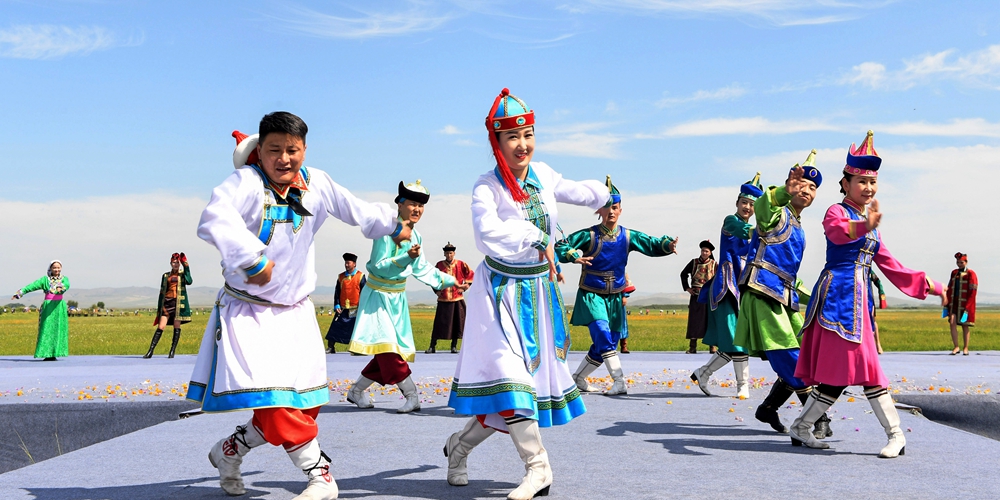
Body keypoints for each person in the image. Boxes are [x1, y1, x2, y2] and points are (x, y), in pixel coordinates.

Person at [187, 114, 410, 499]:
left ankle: (229, 451)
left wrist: (394, 224)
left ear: (304, 149)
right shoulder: (246, 183)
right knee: (273, 400)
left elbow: (357, 210)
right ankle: (319, 475)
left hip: (297, 312)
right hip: (249, 311)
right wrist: (251, 259)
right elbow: (214, 218)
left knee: (301, 404)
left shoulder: (316, 183)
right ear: (260, 151)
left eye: (293, 150)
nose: (284, 158)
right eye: (274, 150)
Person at [444, 88, 610, 500]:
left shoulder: (544, 174)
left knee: (511, 392)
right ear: (496, 142)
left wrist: (606, 194)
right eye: (513, 136)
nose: (523, 144)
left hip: (537, 293)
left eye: (528, 134)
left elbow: (575, 190)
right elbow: (487, 234)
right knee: (512, 381)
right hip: (497, 295)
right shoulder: (487, 187)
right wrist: (536, 235)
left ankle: (458, 447)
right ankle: (539, 469)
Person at [791, 131, 946, 458]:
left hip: (858, 304)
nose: (868, 188)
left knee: (841, 374)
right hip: (836, 301)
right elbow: (837, 232)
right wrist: (864, 225)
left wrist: (932, 287)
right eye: (861, 181)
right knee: (861, 369)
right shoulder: (837, 212)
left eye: (872, 182)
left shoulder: (869, 223)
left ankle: (802, 427)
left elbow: (891, 265)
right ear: (845, 183)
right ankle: (895, 434)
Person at [733, 150, 832, 439]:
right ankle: (817, 418)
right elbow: (764, 208)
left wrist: (815, 294)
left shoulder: (800, 228)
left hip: (785, 298)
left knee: (805, 355)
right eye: (801, 184)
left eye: (812, 188)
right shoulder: (776, 214)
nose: (806, 190)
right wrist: (779, 193)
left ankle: (768, 407)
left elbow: (789, 272)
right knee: (790, 356)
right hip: (762, 293)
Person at [559, 176, 677, 395]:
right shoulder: (589, 235)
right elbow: (562, 246)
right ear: (598, 211)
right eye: (606, 207)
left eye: (614, 207)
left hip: (615, 297)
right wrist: (573, 254)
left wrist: (666, 245)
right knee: (603, 334)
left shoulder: (628, 236)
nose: (611, 211)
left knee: (608, 342)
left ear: (620, 210)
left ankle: (578, 378)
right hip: (591, 294)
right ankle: (619, 380)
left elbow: (649, 243)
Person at [346, 180, 456, 413]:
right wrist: (406, 258)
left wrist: (449, 281)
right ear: (400, 204)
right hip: (377, 297)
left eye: (421, 206)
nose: (417, 210)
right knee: (388, 351)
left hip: (397, 298)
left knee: (385, 350)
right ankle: (412, 395)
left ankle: (356, 391)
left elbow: (421, 267)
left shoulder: (417, 237)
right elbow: (379, 266)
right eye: (413, 204)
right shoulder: (385, 231)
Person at [691, 173, 761, 399]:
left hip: (742, 287)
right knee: (736, 337)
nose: (747, 207)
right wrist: (769, 230)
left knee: (734, 340)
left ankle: (703, 372)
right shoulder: (731, 221)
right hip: (726, 287)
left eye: (752, 205)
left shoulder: (753, 228)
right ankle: (743, 386)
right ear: (737, 203)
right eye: (744, 203)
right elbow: (747, 232)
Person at [12, 260, 70, 360]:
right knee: (46, 328)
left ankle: (55, 353)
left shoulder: (65, 279)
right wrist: (20, 293)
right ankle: (46, 353)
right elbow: (32, 286)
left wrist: (61, 288)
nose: (56, 269)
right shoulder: (45, 280)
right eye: (54, 267)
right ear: (50, 269)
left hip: (59, 306)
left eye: (58, 267)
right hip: (48, 306)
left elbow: (66, 286)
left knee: (58, 328)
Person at [427, 242, 474, 354]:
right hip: (443, 299)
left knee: (457, 323)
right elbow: (432, 278)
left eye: (451, 253)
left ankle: (454, 346)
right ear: (444, 254)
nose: (449, 255)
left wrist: (465, 287)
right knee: (439, 323)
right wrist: (436, 291)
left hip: (457, 299)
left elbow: (471, 274)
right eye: (447, 253)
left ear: (454, 253)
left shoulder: (461, 264)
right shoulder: (439, 265)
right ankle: (432, 346)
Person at [144, 253, 193, 358]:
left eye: (177, 263)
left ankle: (172, 351)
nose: (175, 264)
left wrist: (186, 265)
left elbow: (189, 281)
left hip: (178, 303)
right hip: (167, 302)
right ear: (171, 263)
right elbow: (161, 292)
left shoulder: (182, 274)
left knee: (176, 326)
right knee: (161, 326)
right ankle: (150, 351)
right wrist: (159, 307)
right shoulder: (166, 276)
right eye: (174, 262)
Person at [681, 240, 717, 353]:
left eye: (706, 251)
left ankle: (712, 346)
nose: (704, 253)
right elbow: (683, 274)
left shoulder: (714, 264)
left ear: (710, 253)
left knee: (710, 320)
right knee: (694, 321)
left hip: (709, 297)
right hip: (696, 296)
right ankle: (692, 347)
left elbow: (720, 277)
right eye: (703, 251)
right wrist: (687, 288)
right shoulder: (694, 262)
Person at [325, 252, 366, 353]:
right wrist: (337, 304)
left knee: (357, 329)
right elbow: (337, 291)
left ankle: (357, 349)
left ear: (354, 264)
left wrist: (363, 306)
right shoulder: (341, 277)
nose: (346, 265)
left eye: (348, 263)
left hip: (356, 308)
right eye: (345, 263)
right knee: (335, 326)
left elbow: (364, 292)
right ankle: (331, 347)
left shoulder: (361, 276)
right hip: (342, 307)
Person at [946, 252, 977, 355]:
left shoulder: (971, 274)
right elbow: (949, 288)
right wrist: (947, 303)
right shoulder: (954, 273)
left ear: (966, 262)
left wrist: (968, 307)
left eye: (961, 262)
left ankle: (966, 347)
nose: (959, 264)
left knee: (965, 325)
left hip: (965, 304)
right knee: (952, 323)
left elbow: (973, 292)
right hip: (954, 303)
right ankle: (956, 347)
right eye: (958, 262)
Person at [871, 270, 887, 354]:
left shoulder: (868, 270)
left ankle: (878, 344)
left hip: (867, 298)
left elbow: (878, 282)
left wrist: (882, 295)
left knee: (873, 321)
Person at [619, 274, 635, 353]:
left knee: (621, 322)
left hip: (618, 298)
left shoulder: (619, 266)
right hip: (606, 297)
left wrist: (624, 296)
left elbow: (624, 281)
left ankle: (623, 345)